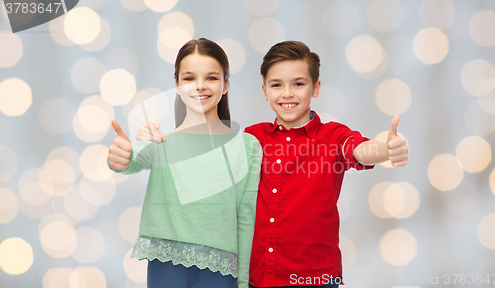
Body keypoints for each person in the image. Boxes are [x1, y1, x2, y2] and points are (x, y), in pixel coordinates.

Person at [136, 40, 409, 288]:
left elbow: (359, 150)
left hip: (314, 278)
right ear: (265, 91)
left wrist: (385, 149)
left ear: (316, 88)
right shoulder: (250, 140)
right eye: (277, 85)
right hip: (259, 278)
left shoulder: (332, 136)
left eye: (298, 84)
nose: (287, 93)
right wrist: (156, 139)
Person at [107, 38, 262, 288]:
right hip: (166, 268)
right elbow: (133, 160)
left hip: (221, 272)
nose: (200, 86)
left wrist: (243, 282)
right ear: (177, 86)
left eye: (211, 78)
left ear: (225, 85)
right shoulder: (160, 140)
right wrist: (119, 156)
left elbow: (246, 218)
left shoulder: (247, 146)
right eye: (189, 78)